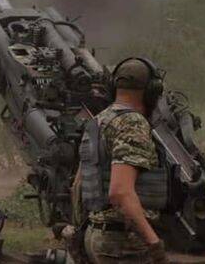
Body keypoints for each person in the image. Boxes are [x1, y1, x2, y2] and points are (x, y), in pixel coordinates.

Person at [80, 58, 167, 264]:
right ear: (152, 91)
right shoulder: (132, 123)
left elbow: (79, 183)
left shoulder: (98, 121)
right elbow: (120, 192)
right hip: (124, 241)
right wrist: (154, 243)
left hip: (98, 235)